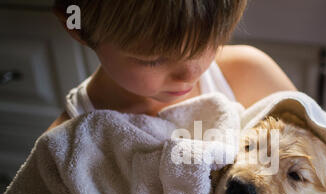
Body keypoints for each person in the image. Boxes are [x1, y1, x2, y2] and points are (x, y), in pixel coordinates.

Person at [47, 0, 297, 132]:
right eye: (153, 59)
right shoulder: (64, 147)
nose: (192, 73)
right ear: (77, 26)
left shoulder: (250, 76)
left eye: (209, 44)